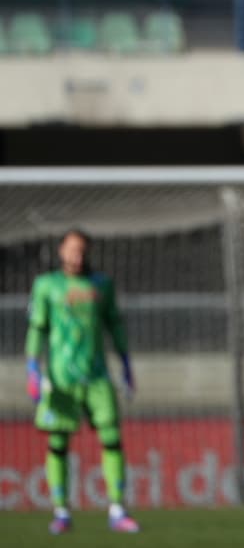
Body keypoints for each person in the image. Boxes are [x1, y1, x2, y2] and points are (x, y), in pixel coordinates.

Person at [25, 228, 141, 535]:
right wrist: (32, 368)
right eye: (72, 249)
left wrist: (126, 363)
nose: (77, 255)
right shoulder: (47, 285)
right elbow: (37, 327)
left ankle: (118, 510)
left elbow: (114, 324)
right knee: (58, 442)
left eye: (82, 250)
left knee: (112, 438)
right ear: (60, 251)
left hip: (98, 376)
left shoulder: (101, 285)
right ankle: (61, 512)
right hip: (61, 379)